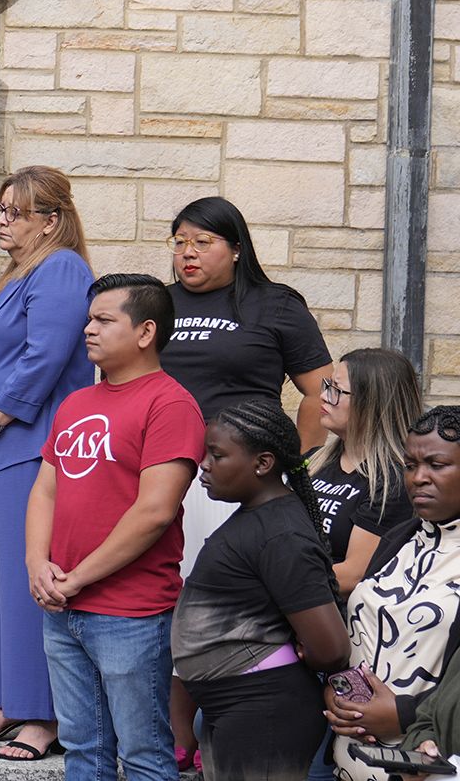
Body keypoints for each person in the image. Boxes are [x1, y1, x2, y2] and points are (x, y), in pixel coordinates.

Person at [160, 195, 333, 765]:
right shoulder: (158, 306)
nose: (188, 252)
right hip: (164, 474)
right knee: (170, 603)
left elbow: (321, 391)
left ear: (236, 248)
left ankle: (218, 723)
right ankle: (177, 734)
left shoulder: (275, 305)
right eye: (180, 241)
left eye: (202, 241)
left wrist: (295, 459)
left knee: (220, 603)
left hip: (235, 483)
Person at [25, 273, 204, 781]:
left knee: (145, 754)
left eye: (104, 320)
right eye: (89, 319)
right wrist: (37, 564)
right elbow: (45, 489)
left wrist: (77, 577)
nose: (88, 330)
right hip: (62, 609)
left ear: (146, 332)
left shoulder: (170, 403)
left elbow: (154, 511)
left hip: (130, 612)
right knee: (83, 751)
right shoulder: (77, 402)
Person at [0, 166, 94, 760]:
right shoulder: (20, 272)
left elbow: (45, 357)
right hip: (6, 447)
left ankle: (44, 717)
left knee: (34, 578)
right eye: (0, 209)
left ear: (51, 221)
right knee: (5, 580)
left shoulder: (61, 268)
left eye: (16, 211)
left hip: (37, 447)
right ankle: (7, 702)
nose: (2, 220)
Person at [173, 399, 349, 781]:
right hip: (236, 707)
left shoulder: (282, 534)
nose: (204, 464)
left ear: (263, 463)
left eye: (217, 455)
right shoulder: (257, 516)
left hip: (264, 710)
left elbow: (332, 649)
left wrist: (302, 649)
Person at [326, 406, 460, 781]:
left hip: (429, 765)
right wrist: (337, 693)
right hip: (351, 759)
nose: (419, 478)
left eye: (437, 465)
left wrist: (403, 715)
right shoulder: (398, 539)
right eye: (410, 464)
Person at [310, 348, 421, 594]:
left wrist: (267, 578)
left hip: (336, 619)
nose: (324, 396)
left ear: (372, 403)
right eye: (328, 385)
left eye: (337, 390)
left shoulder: (392, 481)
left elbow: (353, 575)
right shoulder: (313, 461)